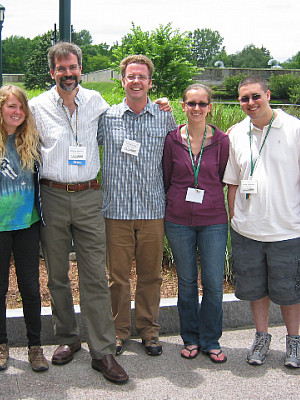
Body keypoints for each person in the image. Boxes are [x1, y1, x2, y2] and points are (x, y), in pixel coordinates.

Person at [29, 42, 129, 384]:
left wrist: (159, 105)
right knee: (57, 274)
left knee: (94, 277)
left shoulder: (96, 102)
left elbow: (124, 117)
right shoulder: (36, 106)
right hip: (51, 195)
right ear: (52, 71)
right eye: (61, 69)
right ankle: (67, 339)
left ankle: (103, 351)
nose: (68, 74)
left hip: (88, 196)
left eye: (73, 68)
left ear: (80, 69)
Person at [98, 55, 177, 357]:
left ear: (150, 83)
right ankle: (119, 331)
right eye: (131, 76)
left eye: (141, 76)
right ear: (122, 80)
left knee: (150, 275)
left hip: (152, 210)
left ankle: (149, 330)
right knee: (116, 277)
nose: (136, 81)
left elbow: (175, 158)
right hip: (115, 211)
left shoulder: (164, 117)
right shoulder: (108, 117)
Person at [223, 75, 300, 368]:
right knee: (256, 291)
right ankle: (261, 337)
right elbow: (232, 182)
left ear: (267, 95)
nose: (251, 103)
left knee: (290, 292)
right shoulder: (236, 134)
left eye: (256, 96)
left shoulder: (294, 129)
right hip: (248, 230)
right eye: (244, 98)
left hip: (287, 230)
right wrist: (234, 218)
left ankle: (294, 342)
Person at [162, 83, 229, 363]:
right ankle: (190, 338)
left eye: (202, 103)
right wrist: (177, 199)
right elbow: (166, 176)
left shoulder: (222, 141)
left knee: (213, 283)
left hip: (213, 220)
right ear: (183, 106)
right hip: (178, 220)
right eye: (192, 103)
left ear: (210, 107)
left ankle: (211, 339)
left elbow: (224, 176)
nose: (197, 108)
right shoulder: (172, 139)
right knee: (187, 282)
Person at [0, 85, 49, 372]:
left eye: (21, 107)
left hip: (27, 225)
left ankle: (35, 346)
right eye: (11, 106)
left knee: (30, 288)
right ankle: (2, 344)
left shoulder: (31, 139)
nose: (17, 112)